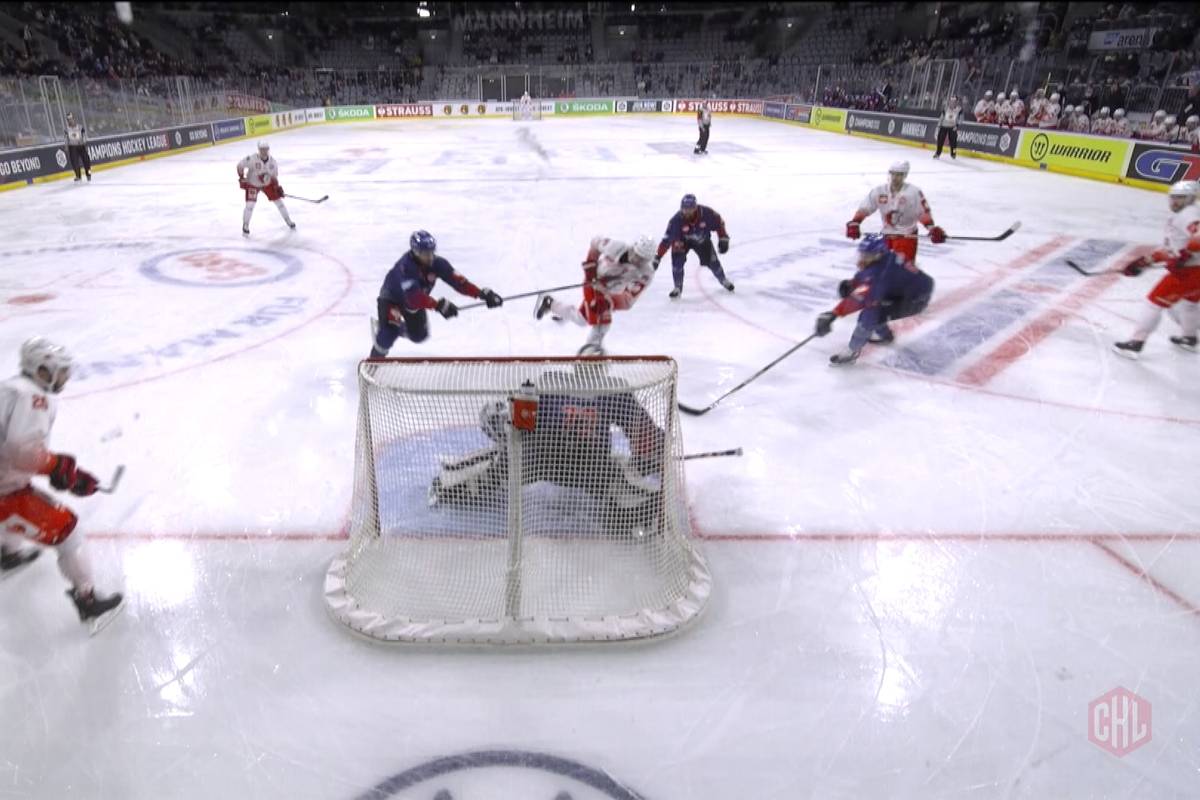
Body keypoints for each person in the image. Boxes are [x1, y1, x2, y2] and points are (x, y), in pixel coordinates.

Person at [427, 366, 666, 535]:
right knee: (619, 486)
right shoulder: (614, 392)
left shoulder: (548, 385)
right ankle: (630, 520)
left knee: (501, 468)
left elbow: (503, 423)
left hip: (544, 457)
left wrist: (505, 431)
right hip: (589, 467)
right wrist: (648, 460)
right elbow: (645, 436)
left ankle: (450, 485)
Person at [0, 338, 123, 633]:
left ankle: (6, 553)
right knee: (70, 533)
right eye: (61, 371)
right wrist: (62, 470)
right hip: (4, 493)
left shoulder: (11, 387)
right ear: (42, 369)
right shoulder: (33, 397)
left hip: (7, 484)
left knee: (22, 504)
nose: (66, 378)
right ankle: (88, 601)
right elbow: (24, 451)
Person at [371, 230, 503, 357]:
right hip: (392, 299)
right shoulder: (406, 267)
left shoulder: (438, 263)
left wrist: (482, 294)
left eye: (431, 252)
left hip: (414, 305)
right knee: (387, 335)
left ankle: (396, 328)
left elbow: (459, 283)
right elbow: (413, 297)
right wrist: (438, 305)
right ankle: (373, 362)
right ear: (415, 252)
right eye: (424, 253)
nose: (429, 256)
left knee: (419, 336)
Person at [813, 235, 935, 366]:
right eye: (862, 253)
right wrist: (853, 284)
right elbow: (866, 280)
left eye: (868, 255)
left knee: (870, 314)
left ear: (879, 253)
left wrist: (834, 314)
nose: (863, 258)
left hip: (916, 299)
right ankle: (886, 336)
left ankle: (852, 352)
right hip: (908, 290)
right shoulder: (885, 259)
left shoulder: (880, 275)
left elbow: (863, 298)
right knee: (876, 308)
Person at [1113, 181, 1200, 358]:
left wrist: (1185, 255)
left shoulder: (1188, 214)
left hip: (1189, 273)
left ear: (1190, 198)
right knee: (1190, 305)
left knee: (1153, 303)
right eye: (1173, 197)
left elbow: (1198, 237)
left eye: (1180, 198)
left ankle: (1136, 343)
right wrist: (1144, 262)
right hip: (1194, 272)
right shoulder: (1185, 214)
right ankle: (1189, 338)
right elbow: (1171, 249)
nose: (1174, 201)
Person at [536, 234, 656, 355]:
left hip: (610, 292)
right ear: (632, 247)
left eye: (643, 259)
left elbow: (629, 299)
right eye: (636, 255)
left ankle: (551, 304)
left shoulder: (645, 274)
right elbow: (595, 243)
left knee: (582, 320)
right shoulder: (616, 247)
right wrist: (591, 272)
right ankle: (591, 353)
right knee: (602, 322)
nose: (637, 261)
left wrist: (609, 302)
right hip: (593, 283)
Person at [844, 161, 947, 265]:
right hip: (886, 236)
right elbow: (865, 208)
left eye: (899, 174)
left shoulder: (913, 192)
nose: (894, 177)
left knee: (903, 273)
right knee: (880, 269)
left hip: (906, 238)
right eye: (892, 173)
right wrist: (855, 223)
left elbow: (923, 213)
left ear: (905, 175)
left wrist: (932, 229)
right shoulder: (879, 191)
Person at [653, 193, 734, 298]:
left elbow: (719, 223)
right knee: (677, 263)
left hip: (702, 239)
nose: (687, 212)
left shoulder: (707, 213)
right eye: (684, 209)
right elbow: (666, 240)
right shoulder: (675, 221)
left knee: (713, 262)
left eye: (690, 209)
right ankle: (677, 287)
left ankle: (723, 280)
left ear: (695, 208)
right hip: (682, 241)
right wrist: (658, 257)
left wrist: (723, 238)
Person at [236, 140, 294, 235]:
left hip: (267, 184)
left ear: (268, 149)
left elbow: (274, 177)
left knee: (279, 203)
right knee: (250, 205)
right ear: (258, 150)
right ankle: (245, 225)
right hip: (253, 184)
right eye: (262, 149)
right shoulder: (251, 159)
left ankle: (288, 221)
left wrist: (277, 187)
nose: (264, 151)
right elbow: (240, 165)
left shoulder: (273, 162)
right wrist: (241, 177)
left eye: (266, 149)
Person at [64, 112, 90, 182]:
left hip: (81, 145)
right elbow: (66, 138)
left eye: (71, 119)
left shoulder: (80, 127)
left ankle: (88, 174)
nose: (70, 121)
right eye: (68, 120)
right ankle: (78, 176)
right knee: (74, 162)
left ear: (74, 119)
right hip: (72, 147)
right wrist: (66, 145)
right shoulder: (67, 129)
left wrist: (85, 143)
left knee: (86, 160)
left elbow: (84, 135)